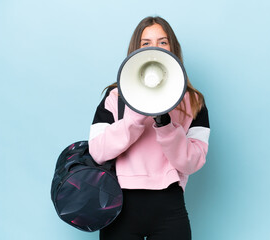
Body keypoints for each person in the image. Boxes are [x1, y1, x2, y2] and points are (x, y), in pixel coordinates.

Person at [89, 16, 210, 240]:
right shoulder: (114, 96)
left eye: (163, 42)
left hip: (169, 205)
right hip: (120, 204)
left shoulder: (194, 101)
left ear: (173, 48)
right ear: (136, 49)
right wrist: (135, 117)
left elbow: (192, 162)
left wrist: (165, 124)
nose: (155, 48)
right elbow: (97, 152)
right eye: (146, 43)